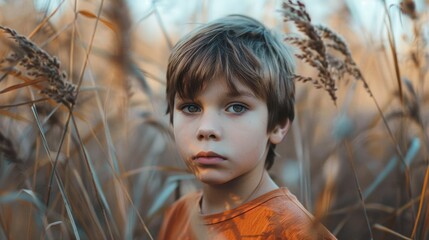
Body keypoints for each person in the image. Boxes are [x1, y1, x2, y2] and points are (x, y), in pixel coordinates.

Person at [158, 14, 336, 240]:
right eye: (191, 108)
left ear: (278, 125)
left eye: (236, 107)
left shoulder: (295, 231)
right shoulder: (179, 214)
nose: (206, 129)